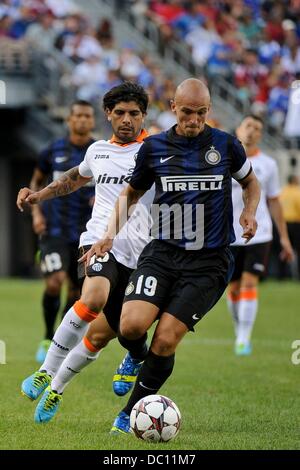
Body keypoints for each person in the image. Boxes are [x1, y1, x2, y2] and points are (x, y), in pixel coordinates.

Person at [81, 78, 261, 434]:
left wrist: (249, 212)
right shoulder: (155, 147)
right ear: (173, 107)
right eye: (187, 112)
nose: (194, 120)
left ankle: (131, 411)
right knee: (129, 326)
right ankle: (135, 354)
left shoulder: (226, 145)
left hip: (208, 262)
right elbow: (130, 195)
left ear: (208, 110)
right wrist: (107, 236)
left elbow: (251, 183)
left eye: (201, 113)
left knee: (165, 338)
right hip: (161, 253)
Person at [17, 82, 153, 423]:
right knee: (92, 298)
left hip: (144, 254)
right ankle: (46, 374)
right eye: (119, 113)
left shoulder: (156, 149)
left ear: (143, 116)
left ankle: (60, 388)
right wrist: (37, 196)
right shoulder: (97, 151)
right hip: (98, 241)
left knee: (107, 335)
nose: (126, 119)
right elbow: (72, 179)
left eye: (134, 113)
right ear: (107, 115)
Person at [28, 100, 96, 363]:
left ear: (93, 121)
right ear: (69, 120)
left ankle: (58, 337)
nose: (81, 120)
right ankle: (46, 335)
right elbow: (36, 181)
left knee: (77, 294)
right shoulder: (52, 150)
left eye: (87, 116)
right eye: (77, 115)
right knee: (54, 281)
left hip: (86, 234)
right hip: (54, 230)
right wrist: (36, 212)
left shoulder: (98, 152)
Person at [227, 115, 294, 356]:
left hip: (260, 233)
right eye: (249, 126)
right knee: (233, 289)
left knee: (248, 283)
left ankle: (244, 338)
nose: (252, 131)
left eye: (257, 128)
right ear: (238, 129)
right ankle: (239, 331)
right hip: (229, 235)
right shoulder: (225, 161)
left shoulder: (268, 164)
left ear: (261, 135)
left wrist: (284, 238)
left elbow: (274, 201)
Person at [279, 175, 300, 279]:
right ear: (295, 181)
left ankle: (282, 275)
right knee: (297, 250)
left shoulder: (282, 191)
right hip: (296, 223)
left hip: (282, 223)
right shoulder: (297, 192)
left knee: (284, 248)